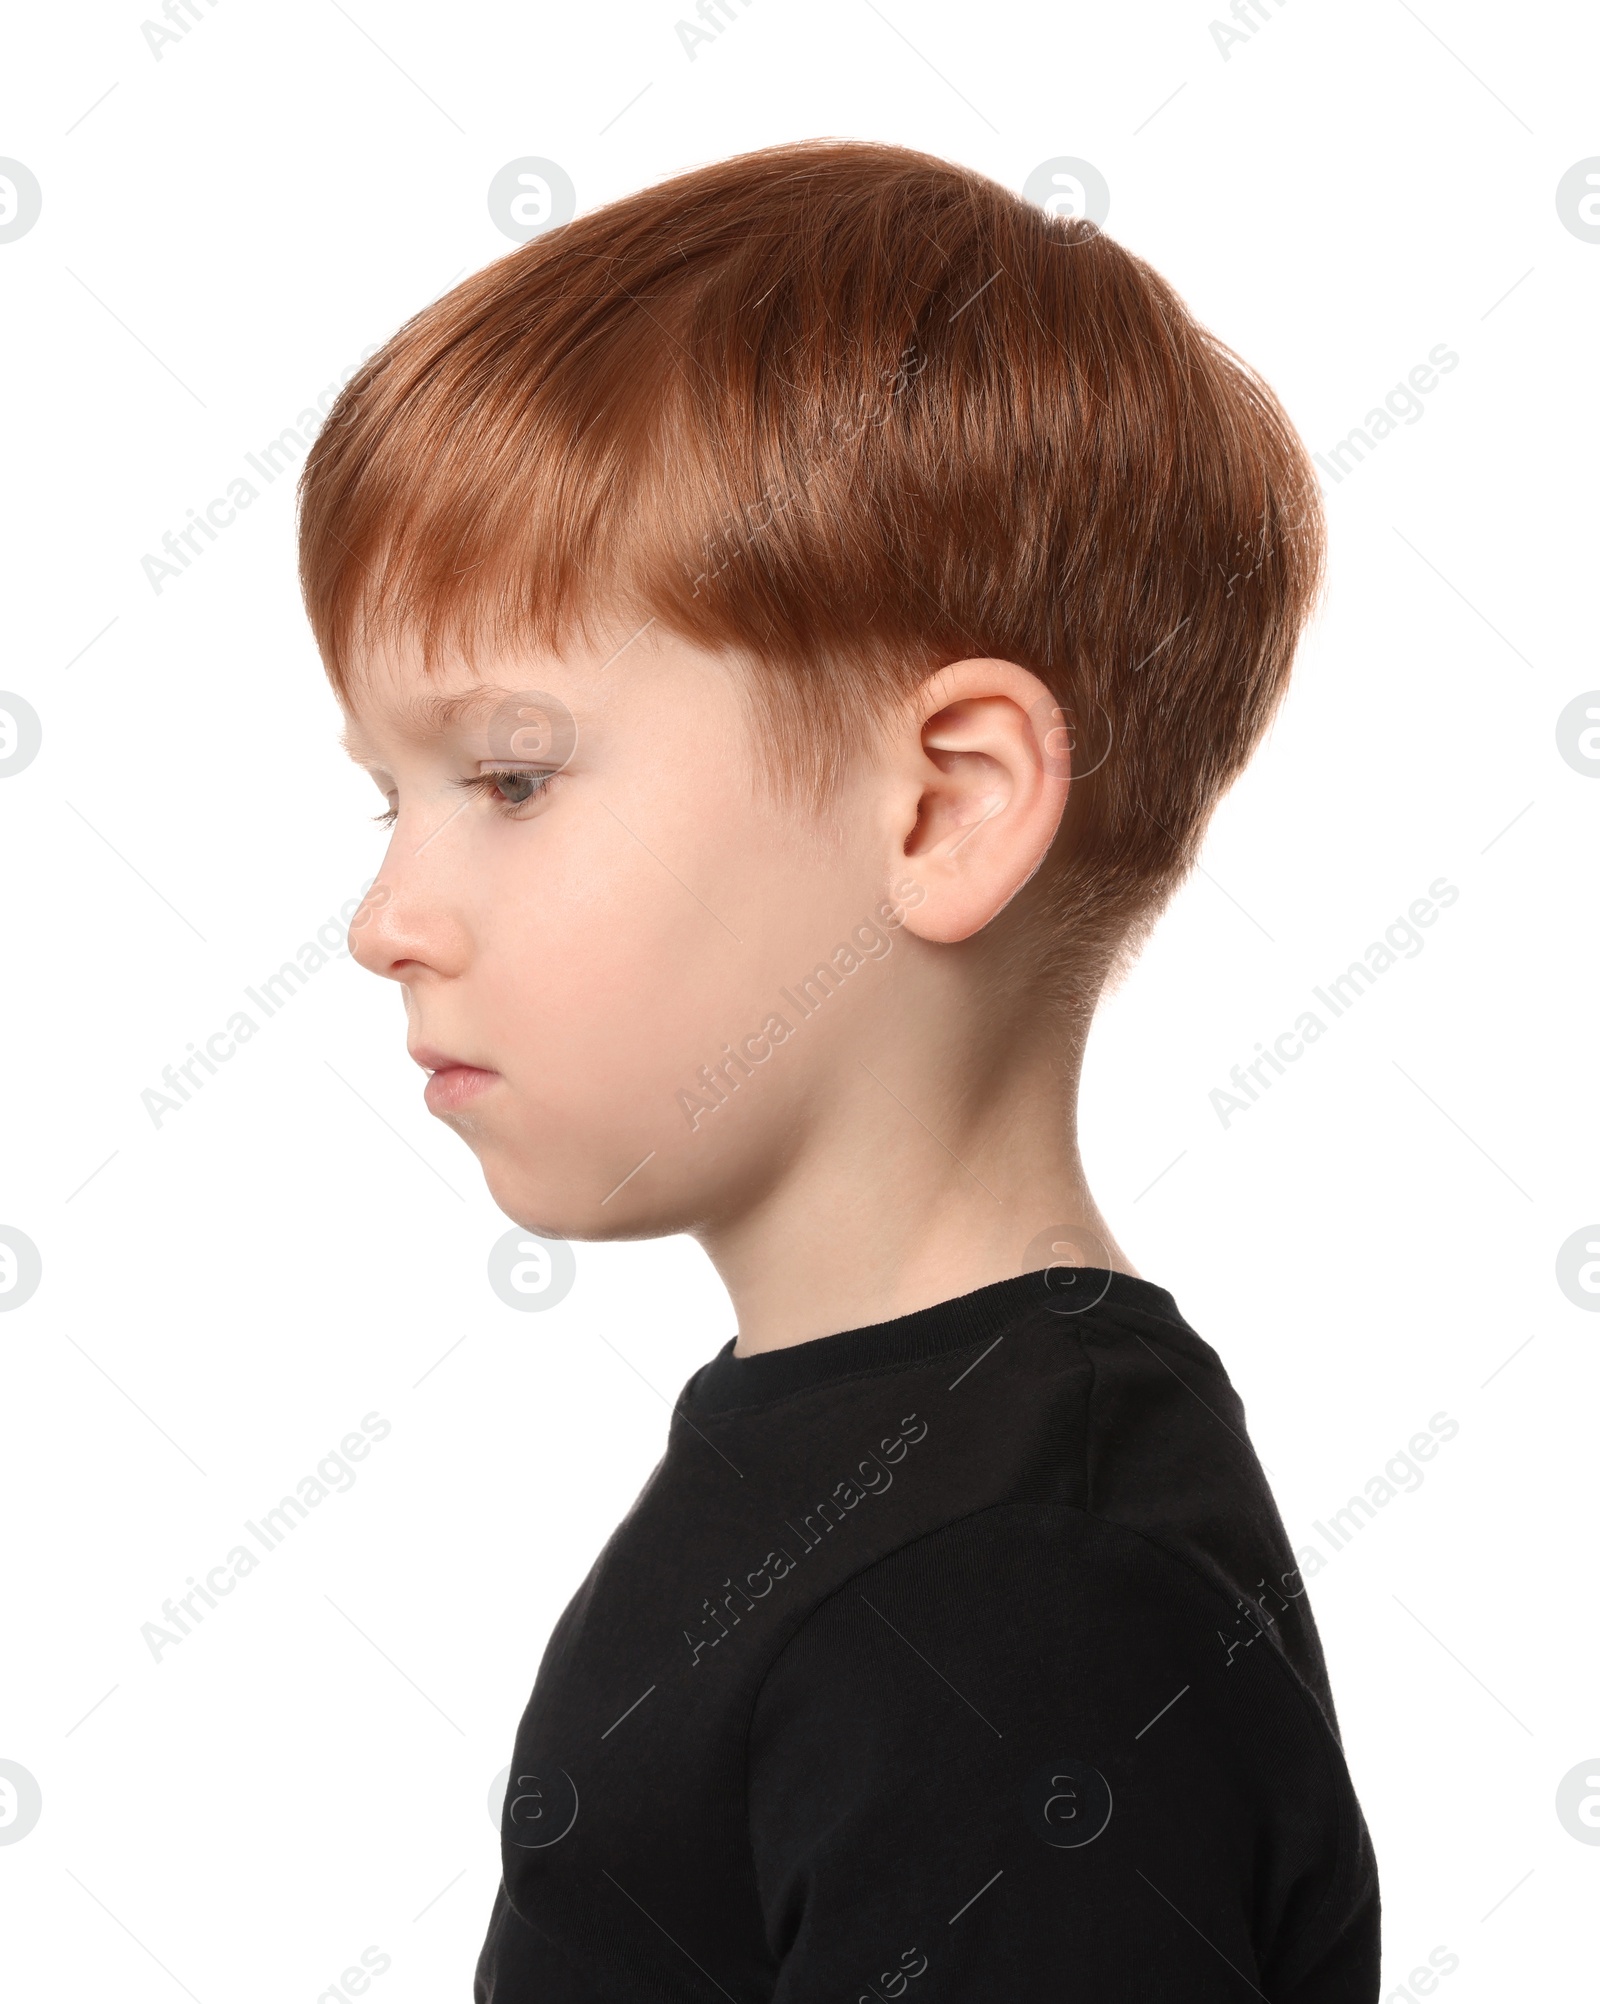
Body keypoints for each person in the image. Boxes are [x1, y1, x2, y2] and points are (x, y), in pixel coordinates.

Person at [298, 138, 1379, 2000]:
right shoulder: (872, 1469)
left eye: (513, 777)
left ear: (944, 806)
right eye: (383, 799)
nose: (386, 916)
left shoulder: (1022, 1605)